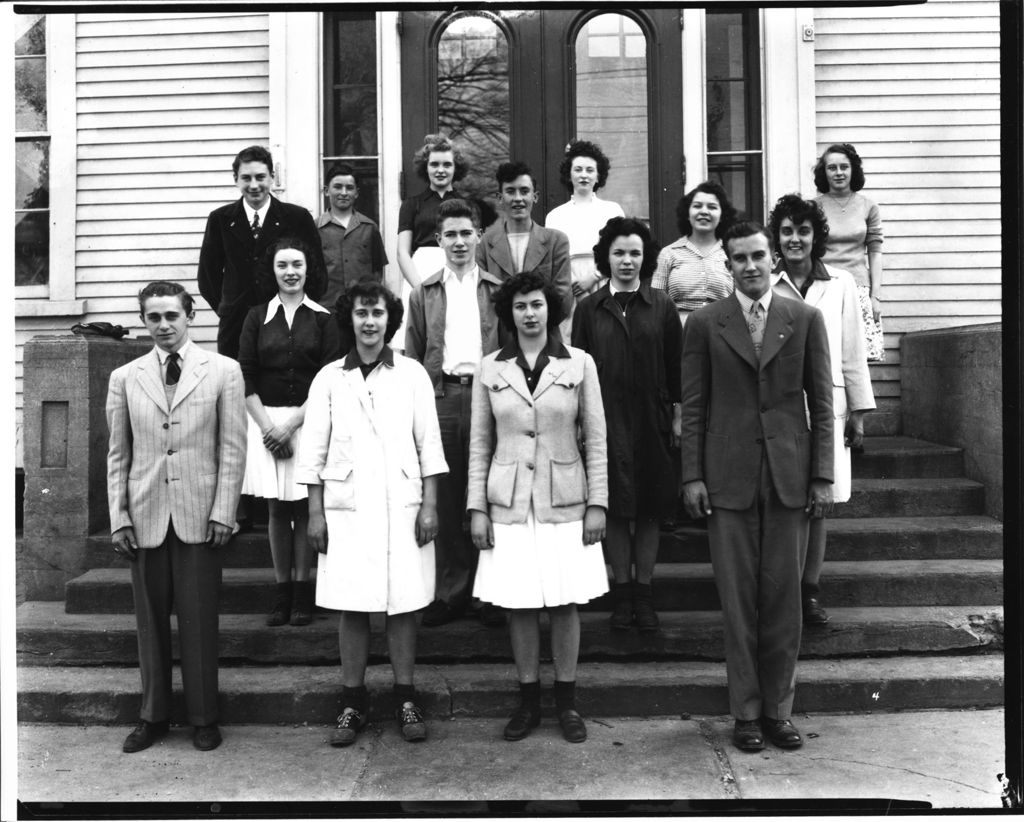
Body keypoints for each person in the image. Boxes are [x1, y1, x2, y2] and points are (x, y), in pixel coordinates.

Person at [679, 222, 834, 753]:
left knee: (784, 601)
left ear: (774, 260)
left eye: (758, 256)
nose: (750, 266)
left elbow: (824, 404)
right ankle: (745, 714)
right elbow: (693, 406)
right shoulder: (704, 323)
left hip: (790, 478)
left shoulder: (805, 319)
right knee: (739, 602)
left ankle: (778, 711)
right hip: (727, 479)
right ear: (728, 265)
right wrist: (692, 474)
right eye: (739, 258)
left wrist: (822, 475)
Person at [297, 281, 448, 747]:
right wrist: (315, 514)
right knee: (353, 604)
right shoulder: (328, 377)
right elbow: (313, 451)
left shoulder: (412, 374)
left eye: (377, 313)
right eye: (361, 313)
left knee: (403, 604)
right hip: (347, 510)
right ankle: (352, 701)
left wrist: (430, 504)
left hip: (403, 506)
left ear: (390, 320)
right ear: (350, 320)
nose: (369, 322)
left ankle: (406, 696)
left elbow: (430, 445)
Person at [468, 271, 608, 743]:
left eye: (538, 305)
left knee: (565, 602)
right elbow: (479, 443)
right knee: (520, 605)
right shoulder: (490, 368)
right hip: (508, 501)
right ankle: (528, 701)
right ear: (509, 313)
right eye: (521, 306)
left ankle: (567, 703)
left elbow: (596, 438)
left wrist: (598, 503)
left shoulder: (579, 363)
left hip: (565, 498)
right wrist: (477, 508)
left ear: (552, 310)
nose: (530, 313)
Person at [106, 281, 246, 753]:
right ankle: (154, 716)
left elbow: (232, 448)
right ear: (144, 321)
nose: (163, 326)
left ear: (190, 316)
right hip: (145, 514)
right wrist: (118, 517)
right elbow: (117, 454)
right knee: (148, 624)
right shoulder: (126, 377)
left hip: (199, 514)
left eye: (172, 316)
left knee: (200, 621)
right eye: (153, 317)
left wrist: (225, 511)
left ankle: (204, 717)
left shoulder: (223, 371)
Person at [768, 194, 876, 625]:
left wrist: (859, 413)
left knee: (820, 501)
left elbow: (852, 351)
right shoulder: (768, 282)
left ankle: (808, 591)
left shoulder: (843, 283)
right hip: (780, 407)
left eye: (804, 231)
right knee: (786, 500)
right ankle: (783, 591)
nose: (795, 239)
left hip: (829, 406)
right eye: (787, 231)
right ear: (777, 238)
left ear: (817, 237)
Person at [572, 217, 682, 632]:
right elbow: (578, 369)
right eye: (619, 252)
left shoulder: (662, 306)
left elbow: (676, 368)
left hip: (652, 420)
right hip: (606, 422)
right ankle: (621, 595)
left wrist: (676, 416)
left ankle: (645, 593)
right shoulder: (589, 309)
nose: (627, 260)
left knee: (650, 509)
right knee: (615, 508)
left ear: (645, 258)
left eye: (635, 253)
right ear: (606, 258)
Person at [405, 198, 506, 628]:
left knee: (488, 491)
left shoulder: (499, 291)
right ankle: (450, 592)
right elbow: (412, 353)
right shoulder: (424, 292)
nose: (459, 241)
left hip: (490, 395)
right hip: (443, 395)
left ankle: (490, 593)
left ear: (479, 236)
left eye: (467, 233)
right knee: (446, 493)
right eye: (451, 234)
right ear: (438, 239)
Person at [237, 238, 341, 627]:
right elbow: (244, 373)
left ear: (308, 269)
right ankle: (282, 592)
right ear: (274, 271)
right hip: (264, 420)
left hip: (309, 420)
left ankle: (303, 593)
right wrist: (268, 428)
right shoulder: (256, 316)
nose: (291, 272)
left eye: (297, 264)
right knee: (278, 509)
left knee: (303, 505)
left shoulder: (324, 318)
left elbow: (330, 377)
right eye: (283, 266)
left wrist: (293, 424)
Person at [197, 145, 326, 360]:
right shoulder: (220, 219)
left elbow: (318, 274)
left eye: (260, 177)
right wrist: (228, 308)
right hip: (236, 328)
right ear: (236, 179)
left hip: (287, 325)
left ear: (272, 178)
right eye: (246, 178)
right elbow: (207, 277)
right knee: (237, 388)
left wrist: (297, 311)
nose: (254, 185)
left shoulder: (297, 218)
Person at [813, 143, 885, 362]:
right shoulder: (814, 207)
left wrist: (875, 295)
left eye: (844, 167)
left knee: (858, 359)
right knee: (826, 354)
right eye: (832, 167)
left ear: (853, 169)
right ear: (824, 172)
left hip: (858, 288)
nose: (838, 173)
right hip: (824, 284)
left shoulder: (868, 206)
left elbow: (875, 251)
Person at [545, 140, 624, 338]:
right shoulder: (555, 215)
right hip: (568, 285)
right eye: (578, 169)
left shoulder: (612, 210)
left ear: (598, 175)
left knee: (606, 338)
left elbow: (620, 251)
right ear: (569, 174)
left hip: (604, 280)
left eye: (590, 170)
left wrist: (595, 276)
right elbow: (553, 258)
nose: (583, 175)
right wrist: (575, 286)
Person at [476, 161, 573, 322]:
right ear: (500, 198)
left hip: (543, 336)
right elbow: (481, 297)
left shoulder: (556, 241)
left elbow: (562, 299)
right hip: (500, 338)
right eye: (510, 191)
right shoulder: (485, 243)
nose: (518, 198)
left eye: (524, 191)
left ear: (535, 197)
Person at [651, 181, 737, 327]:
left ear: (722, 215)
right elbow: (656, 305)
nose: (704, 211)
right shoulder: (668, 254)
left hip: (722, 335)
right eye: (697, 206)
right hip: (678, 336)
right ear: (687, 213)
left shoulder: (732, 254)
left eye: (712, 207)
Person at [317, 162, 388, 313]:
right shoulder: (315, 229)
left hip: (361, 308)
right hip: (326, 309)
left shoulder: (369, 228)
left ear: (356, 192)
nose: (344, 192)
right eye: (337, 187)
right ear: (326, 191)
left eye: (349, 188)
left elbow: (377, 271)